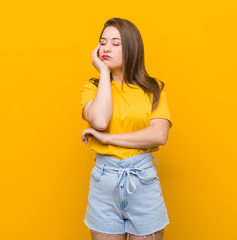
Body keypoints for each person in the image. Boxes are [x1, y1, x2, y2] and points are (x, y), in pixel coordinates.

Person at [80, 17, 173, 240]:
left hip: (142, 180)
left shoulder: (153, 89)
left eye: (115, 43)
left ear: (131, 48)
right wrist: (103, 73)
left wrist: (107, 139)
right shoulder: (91, 88)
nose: (106, 48)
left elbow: (159, 135)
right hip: (104, 181)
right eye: (103, 42)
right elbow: (100, 121)